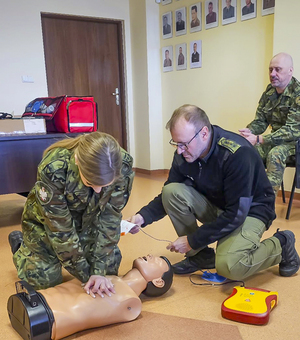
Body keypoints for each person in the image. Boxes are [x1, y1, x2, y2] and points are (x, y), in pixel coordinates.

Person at [128, 104, 299, 281]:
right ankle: (201, 256)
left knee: (229, 266)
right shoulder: (185, 153)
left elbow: (236, 214)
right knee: (172, 192)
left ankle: (282, 244)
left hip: (251, 212)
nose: (179, 150)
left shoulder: (237, 154)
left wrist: (191, 241)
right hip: (220, 206)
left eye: (184, 144)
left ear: (203, 133)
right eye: (176, 143)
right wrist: (142, 218)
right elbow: (168, 192)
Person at [8, 131, 134, 293]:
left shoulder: (121, 166)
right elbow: (60, 229)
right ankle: (21, 246)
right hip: (46, 227)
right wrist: (87, 274)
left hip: (89, 223)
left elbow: (109, 218)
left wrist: (98, 271)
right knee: (45, 284)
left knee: (109, 272)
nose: (98, 191)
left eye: (105, 186)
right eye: (90, 183)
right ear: (77, 160)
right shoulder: (54, 168)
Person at [8, 255, 173, 340]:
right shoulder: (112, 277)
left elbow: (85, 315)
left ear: (158, 282)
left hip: (45, 316)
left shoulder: (131, 303)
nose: (151, 255)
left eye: (157, 261)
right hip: (39, 302)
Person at [239, 53, 300, 197]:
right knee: (246, 150)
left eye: (278, 69)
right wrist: (249, 131)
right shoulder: (269, 92)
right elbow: (261, 120)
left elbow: (291, 131)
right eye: (270, 69)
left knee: (275, 154)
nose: (272, 74)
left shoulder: (298, 94)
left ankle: (265, 205)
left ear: (290, 71)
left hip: (294, 143)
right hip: (274, 140)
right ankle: (245, 197)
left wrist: (260, 139)